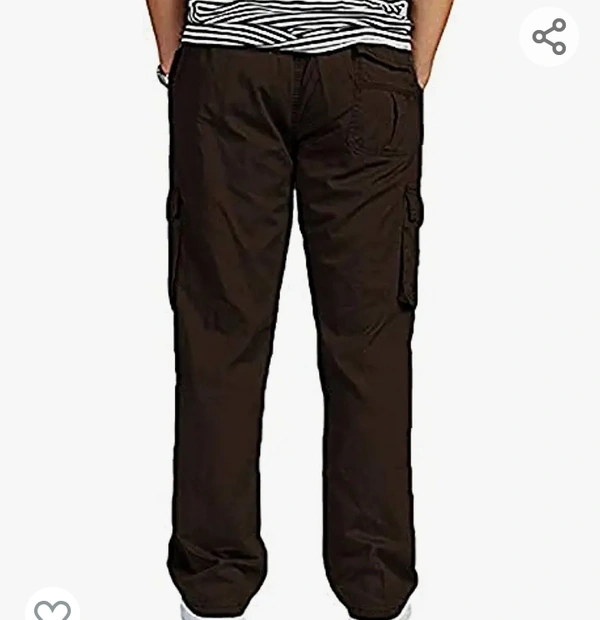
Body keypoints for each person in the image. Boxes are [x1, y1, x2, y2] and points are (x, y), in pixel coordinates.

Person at [145, 1, 454, 618]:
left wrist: (179, 58)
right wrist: (409, 64)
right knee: (369, 348)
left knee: (219, 339)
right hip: (366, 66)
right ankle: (375, 587)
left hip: (226, 65)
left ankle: (213, 587)